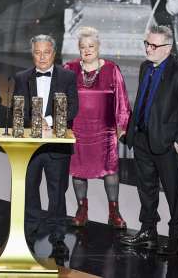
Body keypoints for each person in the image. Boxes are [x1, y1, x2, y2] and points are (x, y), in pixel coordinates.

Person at [120, 25, 178, 256]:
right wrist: (130, 131)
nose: (148, 49)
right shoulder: (145, 67)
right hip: (142, 138)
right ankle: (148, 229)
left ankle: (175, 235)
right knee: (146, 188)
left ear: (168, 48)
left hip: (165, 142)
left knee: (172, 189)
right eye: (147, 44)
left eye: (154, 45)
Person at [14, 34, 78, 259]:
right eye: (37, 52)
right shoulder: (21, 77)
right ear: (33, 54)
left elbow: (73, 108)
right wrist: (34, 122)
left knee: (57, 193)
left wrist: (49, 121)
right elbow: (17, 109)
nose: (42, 57)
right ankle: (29, 235)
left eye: (46, 52)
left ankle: (58, 237)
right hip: (29, 146)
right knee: (30, 191)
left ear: (54, 53)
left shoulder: (68, 76)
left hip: (57, 147)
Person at [63, 26, 131, 229]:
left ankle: (114, 212)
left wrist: (122, 127)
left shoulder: (112, 69)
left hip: (105, 131)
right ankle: (81, 209)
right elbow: (61, 99)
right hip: (78, 129)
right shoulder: (70, 69)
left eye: (91, 46)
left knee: (110, 171)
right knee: (78, 170)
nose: (87, 50)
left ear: (99, 46)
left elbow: (122, 99)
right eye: (83, 47)